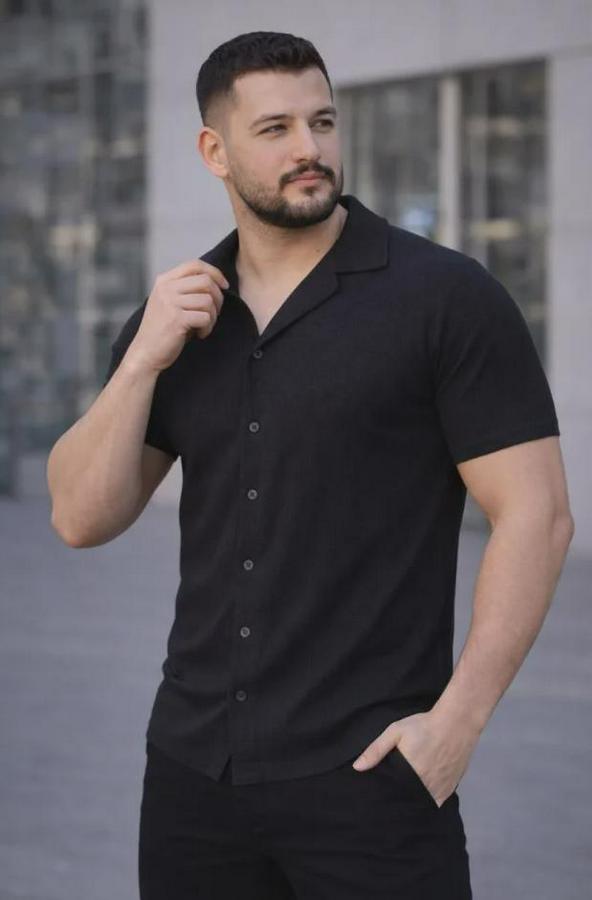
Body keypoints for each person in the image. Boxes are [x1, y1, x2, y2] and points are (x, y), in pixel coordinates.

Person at [47, 29, 574, 900]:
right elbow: (79, 517)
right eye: (276, 129)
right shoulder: (179, 317)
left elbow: (539, 515)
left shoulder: (445, 298)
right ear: (214, 151)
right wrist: (141, 360)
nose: (310, 148)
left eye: (322, 122)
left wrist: (457, 725)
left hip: (372, 778)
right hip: (192, 779)